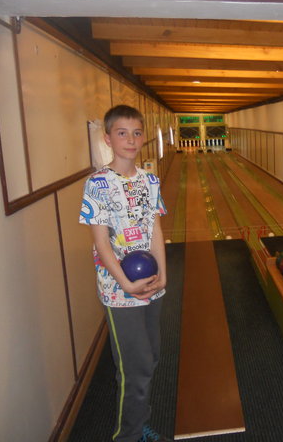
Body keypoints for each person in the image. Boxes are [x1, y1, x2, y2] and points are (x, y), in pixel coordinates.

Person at [79, 105, 172, 442]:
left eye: (136, 133)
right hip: (120, 292)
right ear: (107, 138)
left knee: (151, 358)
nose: (130, 139)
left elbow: (155, 229)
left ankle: (138, 421)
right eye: (122, 133)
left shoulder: (150, 180)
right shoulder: (97, 184)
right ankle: (128, 436)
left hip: (151, 283)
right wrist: (126, 284)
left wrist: (163, 275)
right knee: (135, 368)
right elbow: (101, 243)